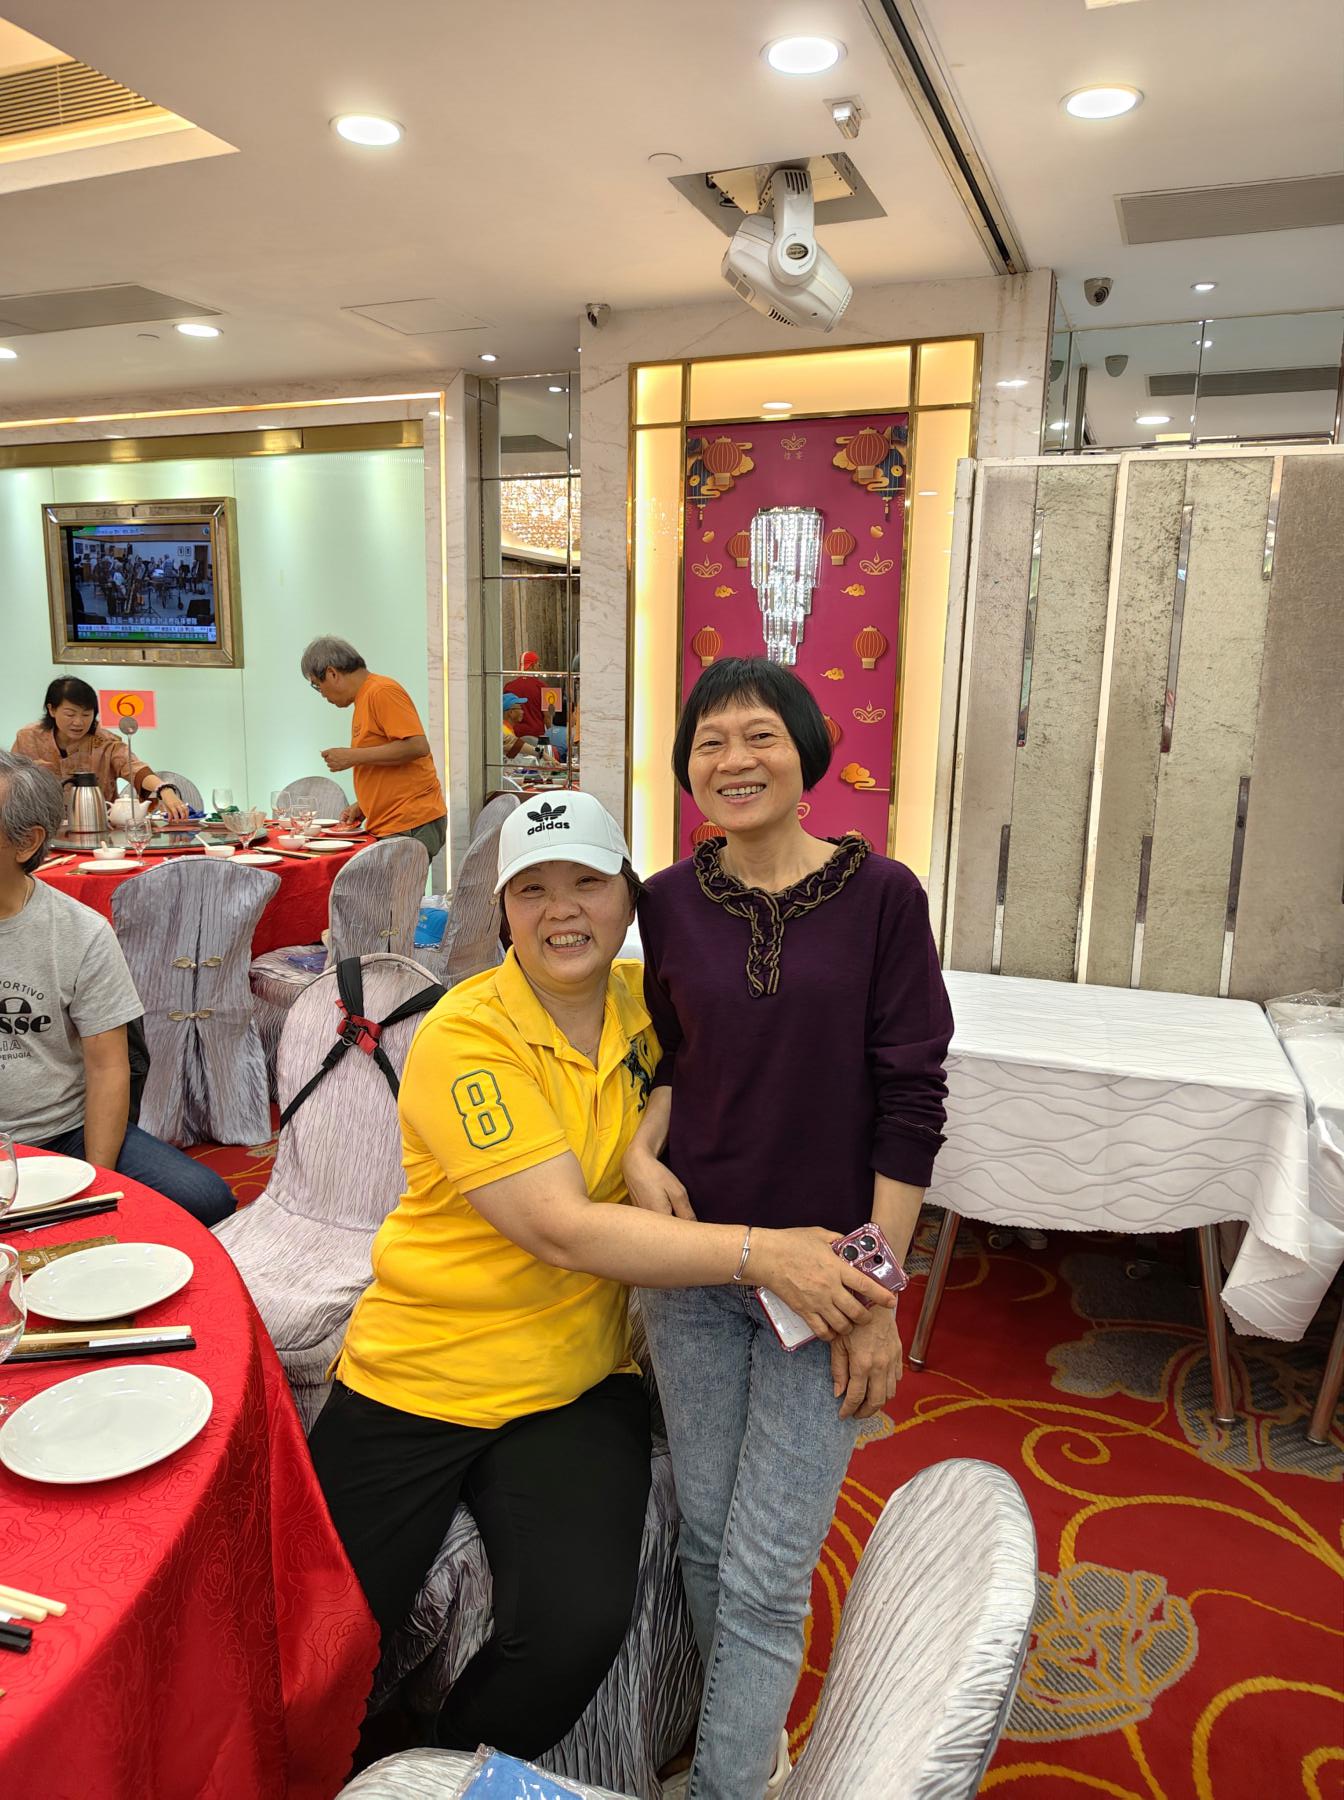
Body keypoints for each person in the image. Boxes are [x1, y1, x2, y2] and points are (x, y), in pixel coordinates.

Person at [308, 789, 892, 1760]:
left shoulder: (647, 1009)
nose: (562, 910)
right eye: (532, 890)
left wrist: (655, 1126)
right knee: (319, 1637)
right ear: (503, 912)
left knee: (571, 1633)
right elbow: (563, 1229)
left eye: (586, 881)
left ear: (629, 897)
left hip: (576, 1382)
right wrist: (768, 1252)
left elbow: (755, 1073)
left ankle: (440, 1767)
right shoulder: (466, 1034)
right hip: (421, 1371)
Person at [624, 658, 955, 1800]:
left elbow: (912, 1103)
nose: (734, 760)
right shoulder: (666, 903)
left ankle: (727, 1783)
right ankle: (751, 1748)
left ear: (806, 752)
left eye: (759, 735)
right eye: (708, 742)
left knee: (767, 1568)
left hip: (825, 1278)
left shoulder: (885, 898)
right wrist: (639, 1150)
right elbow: (673, 1058)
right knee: (708, 1541)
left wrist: (875, 1293)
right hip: (694, 1269)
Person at [0, 752, 235, 1227]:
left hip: (62, 1131)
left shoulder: (79, 932)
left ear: (27, 842)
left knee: (206, 1199)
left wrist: (93, 1184)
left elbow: (108, 1066)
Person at [301, 636, 448, 860]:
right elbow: (385, 761)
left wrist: (352, 756)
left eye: (316, 685)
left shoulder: (381, 691)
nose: (321, 693)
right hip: (395, 822)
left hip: (408, 821)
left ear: (332, 673)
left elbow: (417, 746)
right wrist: (364, 805)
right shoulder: (365, 697)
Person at [11, 677, 190, 821]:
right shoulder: (28, 738)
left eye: (86, 714)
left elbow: (134, 768)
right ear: (52, 710)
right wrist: (31, 774)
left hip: (100, 831)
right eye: (70, 714)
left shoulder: (105, 742)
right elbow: (9, 782)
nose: (78, 722)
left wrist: (164, 789)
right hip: (41, 828)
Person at [507, 651, 548, 740]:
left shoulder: (509, 686)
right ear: (532, 666)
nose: (539, 669)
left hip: (514, 734)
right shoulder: (542, 687)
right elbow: (548, 716)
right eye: (538, 665)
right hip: (537, 735)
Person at [501, 692, 532, 761]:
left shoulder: (506, 728)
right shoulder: (505, 730)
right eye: (520, 708)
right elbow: (516, 747)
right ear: (511, 712)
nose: (522, 712)